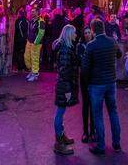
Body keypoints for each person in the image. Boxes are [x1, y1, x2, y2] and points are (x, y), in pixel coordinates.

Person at [81, 19, 122, 155]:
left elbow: (85, 68)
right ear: (103, 28)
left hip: (96, 84)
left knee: (98, 114)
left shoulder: (91, 46)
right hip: (111, 82)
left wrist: (86, 83)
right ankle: (116, 143)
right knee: (113, 112)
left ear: (92, 30)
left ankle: (101, 145)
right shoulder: (112, 41)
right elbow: (119, 54)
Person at [51, 25, 79, 155]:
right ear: (68, 34)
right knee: (60, 112)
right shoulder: (65, 50)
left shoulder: (65, 48)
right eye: (74, 33)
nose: (75, 35)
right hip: (64, 85)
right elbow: (64, 71)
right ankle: (59, 142)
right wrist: (67, 89)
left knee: (61, 112)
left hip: (63, 84)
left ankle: (62, 136)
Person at [78, 26, 96, 143]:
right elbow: (81, 61)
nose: (87, 34)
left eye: (89, 32)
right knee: (86, 104)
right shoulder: (80, 46)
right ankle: (85, 131)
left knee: (94, 105)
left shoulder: (95, 45)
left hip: (94, 78)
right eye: (85, 33)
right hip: (84, 78)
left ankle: (93, 131)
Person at [24, 8, 45, 82]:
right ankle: (31, 71)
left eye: (33, 12)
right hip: (29, 41)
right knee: (27, 57)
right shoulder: (31, 21)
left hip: (36, 43)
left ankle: (35, 73)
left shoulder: (41, 21)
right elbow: (29, 31)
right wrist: (28, 39)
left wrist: (36, 42)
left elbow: (41, 33)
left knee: (35, 58)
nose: (31, 13)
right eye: (31, 11)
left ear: (37, 12)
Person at [12, 8, 28, 72]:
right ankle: (24, 67)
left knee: (18, 53)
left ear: (19, 14)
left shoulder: (18, 21)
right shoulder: (27, 21)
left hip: (19, 40)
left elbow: (16, 30)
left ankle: (19, 67)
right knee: (23, 53)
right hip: (25, 40)